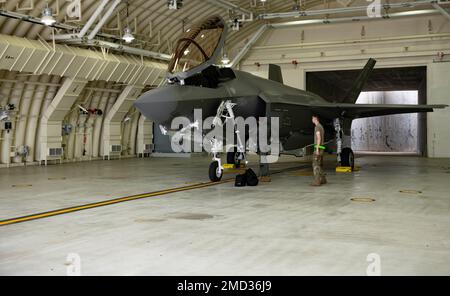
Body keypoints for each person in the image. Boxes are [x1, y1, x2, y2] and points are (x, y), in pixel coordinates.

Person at [311, 114, 327, 186]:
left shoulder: (317, 127)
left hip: (318, 148)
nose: (312, 120)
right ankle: (323, 179)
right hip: (321, 148)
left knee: (315, 164)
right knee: (319, 165)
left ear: (315, 119)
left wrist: (317, 149)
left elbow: (319, 138)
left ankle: (317, 181)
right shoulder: (321, 126)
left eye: (312, 118)